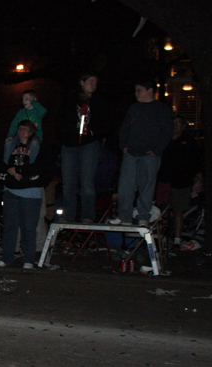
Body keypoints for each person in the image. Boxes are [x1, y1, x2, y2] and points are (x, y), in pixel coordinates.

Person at [110, 79, 173, 226]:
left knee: (146, 186)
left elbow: (167, 131)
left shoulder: (161, 109)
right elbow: (124, 128)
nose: (136, 94)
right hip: (131, 153)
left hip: (149, 155)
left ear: (149, 91)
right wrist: (123, 146)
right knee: (125, 186)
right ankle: (124, 216)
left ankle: (143, 216)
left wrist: (157, 150)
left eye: (139, 90)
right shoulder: (134, 108)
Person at [0, 120, 49, 268]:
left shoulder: (38, 146)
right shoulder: (10, 145)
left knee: (29, 228)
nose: (22, 131)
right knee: (10, 227)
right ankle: (7, 258)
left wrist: (20, 171)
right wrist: (10, 170)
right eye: (20, 128)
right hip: (11, 191)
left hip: (30, 193)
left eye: (25, 128)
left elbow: (41, 167)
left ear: (31, 131)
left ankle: (29, 259)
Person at [57, 73, 110, 224]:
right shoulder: (70, 100)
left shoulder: (99, 101)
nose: (93, 85)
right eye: (90, 81)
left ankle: (87, 215)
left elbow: (106, 122)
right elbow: (60, 121)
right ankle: (67, 215)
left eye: (95, 82)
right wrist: (66, 137)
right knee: (68, 183)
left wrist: (94, 133)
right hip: (70, 146)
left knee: (87, 182)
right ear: (82, 82)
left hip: (90, 145)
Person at [157, 116, 203, 246]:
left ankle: (177, 239)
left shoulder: (189, 141)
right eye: (173, 123)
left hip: (182, 182)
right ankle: (163, 237)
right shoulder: (164, 140)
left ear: (183, 126)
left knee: (178, 211)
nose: (175, 126)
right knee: (162, 211)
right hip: (164, 181)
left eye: (178, 123)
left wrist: (196, 178)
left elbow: (197, 161)